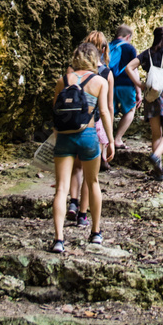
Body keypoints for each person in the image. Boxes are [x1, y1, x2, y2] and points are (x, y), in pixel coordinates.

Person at [50, 42, 114, 253]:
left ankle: (59, 239)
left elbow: (55, 112)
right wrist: (111, 141)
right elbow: (104, 112)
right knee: (93, 182)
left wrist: (56, 136)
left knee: (61, 188)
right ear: (94, 59)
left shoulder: (62, 80)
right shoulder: (99, 81)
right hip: (87, 135)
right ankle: (95, 232)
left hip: (65, 137)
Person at [123, 26, 163, 180]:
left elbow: (129, 67)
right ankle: (157, 155)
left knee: (156, 133)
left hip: (151, 92)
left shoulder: (147, 53)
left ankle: (158, 171)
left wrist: (140, 84)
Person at [67, 31, 115, 224]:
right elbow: (108, 107)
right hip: (94, 126)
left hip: (71, 124)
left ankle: (72, 202)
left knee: (76, 168)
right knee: (90, 175)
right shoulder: (106, 74)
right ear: (103, 50)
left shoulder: (70, 72)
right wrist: (109, 135)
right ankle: (83, 214)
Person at [109, 25, 141, 149]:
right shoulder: (129, 48)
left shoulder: (107, 46)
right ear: (128, 36)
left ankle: (105, 140)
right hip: (126, 85)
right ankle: (117, 139)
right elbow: (134, 69)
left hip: (108, 85)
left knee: (108, 111)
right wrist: (138, 91)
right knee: (130, 110)